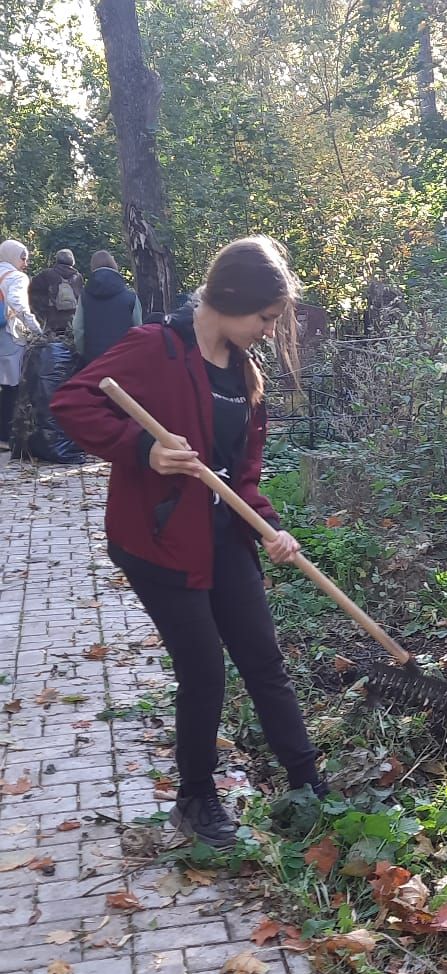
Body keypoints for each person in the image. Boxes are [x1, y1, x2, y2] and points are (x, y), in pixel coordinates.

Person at [52, 236, 324, 846]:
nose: (266, 330)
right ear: (231, 299)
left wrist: (271, 526)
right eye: (266, 317)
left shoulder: (242, 372)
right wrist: (143, 449)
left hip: (224, 534)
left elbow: (241, 476)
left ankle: (309, 784)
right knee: (204, 672)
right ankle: (195, 801)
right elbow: (70, 401)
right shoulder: (156, 349)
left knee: (263, 659)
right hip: (160, 538)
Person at [0, 239, 43, 448]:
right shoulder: (16, 277)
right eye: (23, 258)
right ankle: (4, 437)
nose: (25, 263)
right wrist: (36, 329)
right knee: (11, 385)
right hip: (9, 337)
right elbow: (17, 303)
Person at [73, 250, 142, 363]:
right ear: (114, 265)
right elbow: (138, 331)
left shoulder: (84, 296)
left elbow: (78, 329)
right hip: (123, 359)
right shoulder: (131, 297)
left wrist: (82, 353)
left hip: (93, 361)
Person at [28, 248, 83, 335]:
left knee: (52, 347)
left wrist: (41, 314)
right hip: (72, 321)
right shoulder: (78, 277)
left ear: (57, 260)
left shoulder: (47, 274)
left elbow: (31, 292)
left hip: (52, 321)